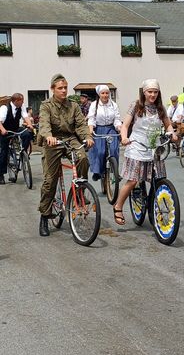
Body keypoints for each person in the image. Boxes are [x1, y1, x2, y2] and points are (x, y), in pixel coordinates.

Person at [112, 79, 178, 225]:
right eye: (150, 92)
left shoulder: (161, 108)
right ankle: (118, 206)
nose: (152, 95)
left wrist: (172, 133)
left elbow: (168, 125)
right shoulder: (136, 106)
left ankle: (156, 205)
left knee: (159, 178)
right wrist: (124, 138)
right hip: (137, 145)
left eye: (155, 92)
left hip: (154, 146)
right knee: (133, 180)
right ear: (144, 92)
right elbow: (125, 125)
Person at [38, 74, 94, 237]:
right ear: (53, 89)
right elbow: (44, 124)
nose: (63, 91)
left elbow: (81, 124)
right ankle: (44, 216)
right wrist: (48, 136)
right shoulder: (46, 105)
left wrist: (87, 137)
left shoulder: (73, 105)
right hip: (52, 142)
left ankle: (80, 190)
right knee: (50, 181)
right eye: (60, 88)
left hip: (70, 139)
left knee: (83, 157)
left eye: (65, 88)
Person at [87, 85, 122, 182]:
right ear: (99, 94)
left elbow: (117, 119)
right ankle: (97, 172)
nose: (105, 95)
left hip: (111, 129)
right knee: (100, 151)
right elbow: (91, 118)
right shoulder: (94, 104)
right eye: (103, 93)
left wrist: (119, 128)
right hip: (99, 129)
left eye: (107, 93)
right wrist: (91, 129)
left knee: (114, 149)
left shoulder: (113, 105)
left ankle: (115, 172)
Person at [0, 93, 34, 184]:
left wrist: (30, 125)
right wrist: (3, 130)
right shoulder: (4, 108)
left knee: (26, 134)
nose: (23, 102)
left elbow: (25, 116)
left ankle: (23, 152)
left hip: (15, 128)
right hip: (5, 130)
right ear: (15, 101)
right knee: (4, 151)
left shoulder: (21, 106)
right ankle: (1, 174)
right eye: (21, 100)